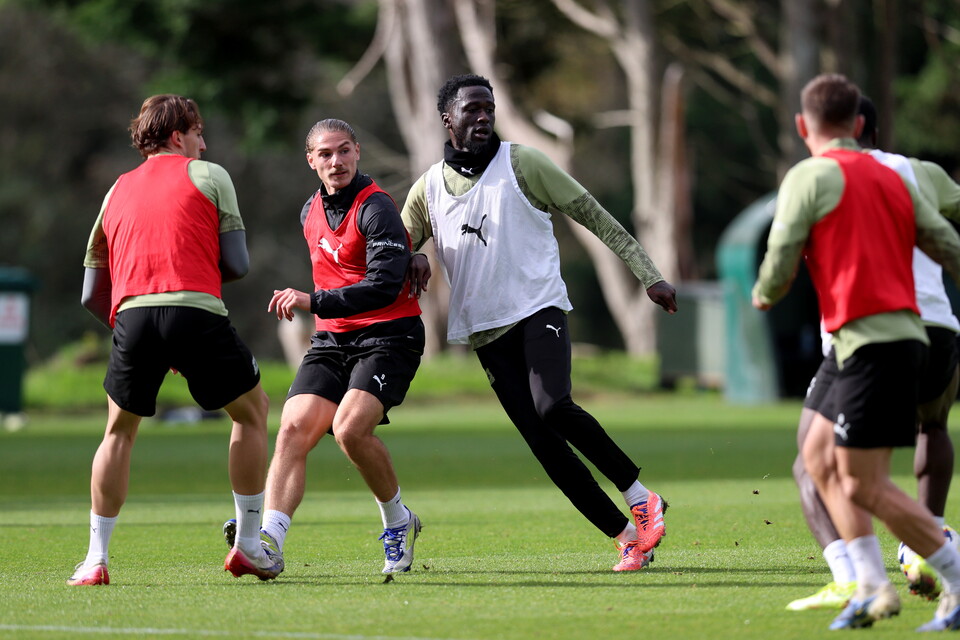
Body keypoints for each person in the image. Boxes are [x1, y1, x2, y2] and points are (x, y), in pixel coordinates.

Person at [401, 74, 677, 572]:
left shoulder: (522, 163)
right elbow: (396, 247)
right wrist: (414, 255)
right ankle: (627, 537)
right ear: (448, 120)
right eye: (472, 110)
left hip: (538, 308)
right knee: (545, 446)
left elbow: (593, 215)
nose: (484, 116)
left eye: (489, 108)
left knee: (553, 407)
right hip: (485, 330)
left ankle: (640, 494)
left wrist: (648, 274)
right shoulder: (426, 190)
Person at [752, 73, 960, 631]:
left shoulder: (809, 174)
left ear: (803, 126)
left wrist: (765, 292)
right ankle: (871, 586)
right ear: (860, 125)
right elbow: (943, 241)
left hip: (875, 340)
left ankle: (956, 579)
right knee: (816, 458)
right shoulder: (895, 175)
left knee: (863, 482)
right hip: (873, 340)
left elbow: (782, 247)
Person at [70, 94, 279, 586]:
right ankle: (249, 545)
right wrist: (184, 311)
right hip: (196, 312)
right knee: (252, 413)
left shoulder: (115, 190)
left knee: (117, 433)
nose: (204, 143)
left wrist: (136, 334)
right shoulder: (210, 175)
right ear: (177, 136)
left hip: (133, 319)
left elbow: (88, 293)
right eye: (198, 133)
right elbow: (239, 264)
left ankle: (94, 560)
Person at [223, 118, 425, 575]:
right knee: (293, 427)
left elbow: (384, 284)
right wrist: (323, 308)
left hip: (389, 334)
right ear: (311, 161)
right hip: (333, 338)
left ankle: (398, 522)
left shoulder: (377, 208)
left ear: (357, 153)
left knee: (350, 430)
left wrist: (312, 300)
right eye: (326, 154)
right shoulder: (308, 211)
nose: (337, 162)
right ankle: (267, 543)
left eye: (344, 151)